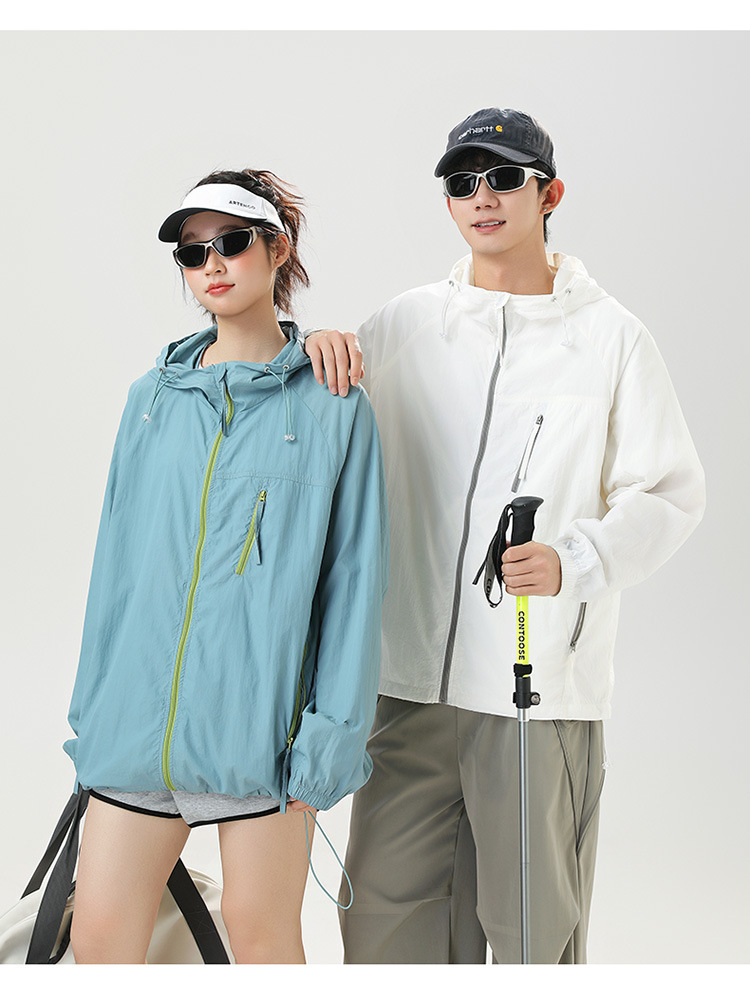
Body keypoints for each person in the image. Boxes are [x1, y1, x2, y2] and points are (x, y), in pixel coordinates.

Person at [302, 108, 706, 964]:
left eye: (503, 178)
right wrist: (317, 345)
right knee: (382, 929)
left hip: (534, 691)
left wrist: (575, 560)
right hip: (407, 690)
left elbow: (670, 492)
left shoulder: (611, 338)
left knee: (533, 939)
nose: (481, 197)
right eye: (462, 182)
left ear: (548, 194)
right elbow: (324, 439)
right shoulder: (402, 325)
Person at [63, 169, 389, 964]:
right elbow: (115, 569)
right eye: (192, 251)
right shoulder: (151, 399)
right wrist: (93, 716)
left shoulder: (333, 404)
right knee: (99, 934)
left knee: (261, 935)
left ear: (277, 249)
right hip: (138, 727)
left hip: (263, 736)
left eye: (232, 242)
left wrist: (329, 743)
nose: (211, 263)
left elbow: (354, 585)